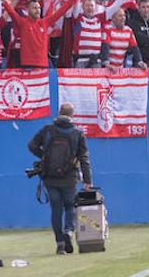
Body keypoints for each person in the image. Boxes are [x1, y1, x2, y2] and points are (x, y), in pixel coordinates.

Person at [28, 103, 92, 256]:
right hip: (70, 177)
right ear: (72, 115)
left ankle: (60, 244)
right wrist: (87, 181)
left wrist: (44, 158)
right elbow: (84, 158)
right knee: (70, 206)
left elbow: (31, 145)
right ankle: (69, 231)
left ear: (59, 113)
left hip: (50, 177)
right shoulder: (77, 133)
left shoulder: (47, 130)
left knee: (56, 210)